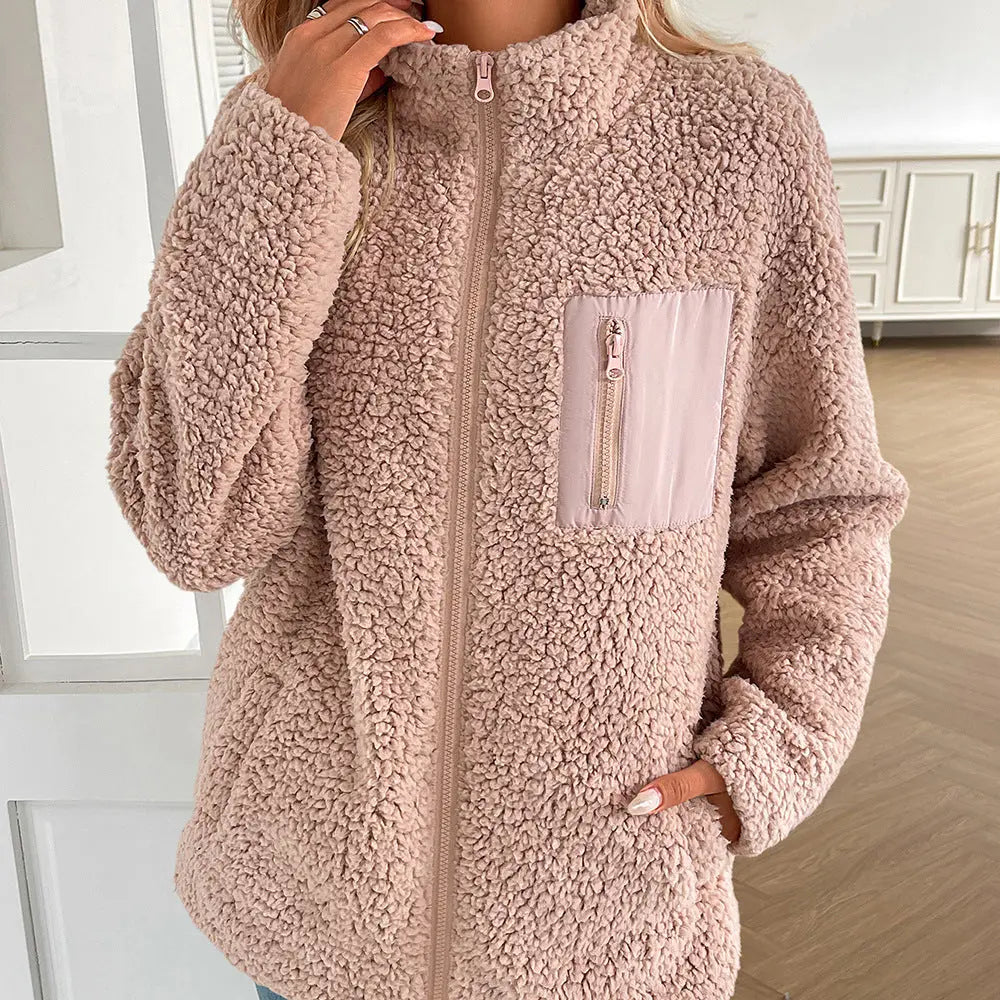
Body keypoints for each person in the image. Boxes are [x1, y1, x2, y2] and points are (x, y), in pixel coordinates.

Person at [105, 1, 909, 998]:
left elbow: (818, 508)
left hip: (607, 917)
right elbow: (193, 526)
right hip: (314, 909)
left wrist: (770, 752)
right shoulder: (297, 127)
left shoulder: (738, 133)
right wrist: (282, 154)